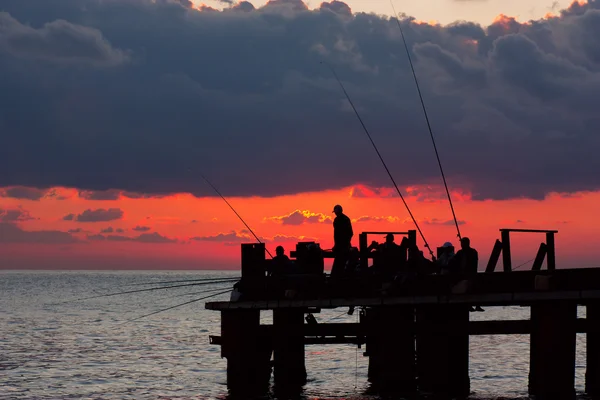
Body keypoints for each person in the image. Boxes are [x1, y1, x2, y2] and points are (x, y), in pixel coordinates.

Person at [453, 237, 483, 312]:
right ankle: (476, 305)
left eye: (462, 243)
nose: (461, 245)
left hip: (465, 276)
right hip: (471, 275)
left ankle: (471, 305)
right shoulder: (473, 252)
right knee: (474, 286)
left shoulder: (461, 253)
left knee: (469, 286)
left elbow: (454, 262)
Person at [331, 204, 353, 277]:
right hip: (343, 246)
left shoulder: (339, 220)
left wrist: (339, 245)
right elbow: (350, 233)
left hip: (342, 247)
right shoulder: (345, 219)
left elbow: (339, 235)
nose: (335, 214)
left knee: (340, 264)